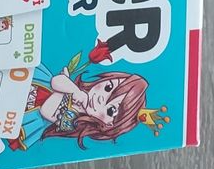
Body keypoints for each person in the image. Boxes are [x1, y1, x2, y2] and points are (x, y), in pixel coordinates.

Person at [8, 64, 148, 150]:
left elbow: (47, 110)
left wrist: (69, 90)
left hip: (26, 113)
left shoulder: (73, 121)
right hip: (30, 85)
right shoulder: (78, 92)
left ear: (109, 124)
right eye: (108, 87)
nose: (101, 98)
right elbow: (55, 81)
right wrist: (74, 90)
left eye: (111, 110)